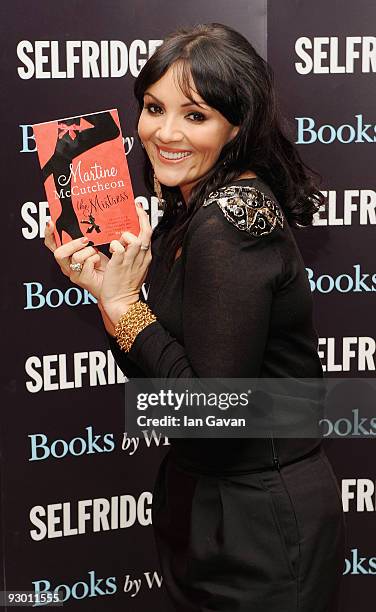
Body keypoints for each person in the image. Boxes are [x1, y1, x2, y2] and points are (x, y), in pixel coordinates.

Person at [44, 22, 346, 612]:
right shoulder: (194, 207)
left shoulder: (227, 222)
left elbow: (211, 412)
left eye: (196, 115)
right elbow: (165, 385)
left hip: (257, 521)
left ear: (237, 124)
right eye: (154, 108)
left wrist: (127, 310)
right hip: (212, 502)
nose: (166, 133)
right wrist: (115, 299)